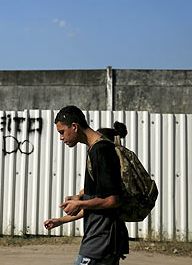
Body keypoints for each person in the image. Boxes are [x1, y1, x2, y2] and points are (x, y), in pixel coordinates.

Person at [43, 106, 129, 265]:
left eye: (62, 132)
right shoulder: (95, 149)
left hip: (101, 241)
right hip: (101, 240)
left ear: (74, 126)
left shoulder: (101, 150)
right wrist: (62, 218)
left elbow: (111, 201)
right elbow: (97, 199)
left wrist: (80, 203)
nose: (61, 138)